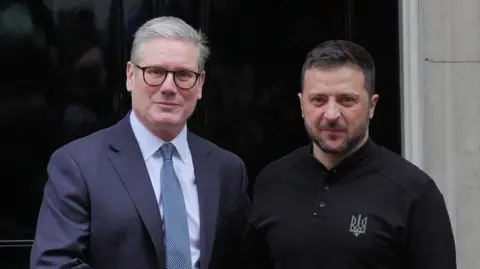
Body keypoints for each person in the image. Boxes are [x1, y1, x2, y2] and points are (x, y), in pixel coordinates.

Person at [30, 16, 251, 269]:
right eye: (155, 72)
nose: (169, 87)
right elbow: (55, 264)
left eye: (183, 74)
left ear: (200, 84)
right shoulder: (77, 165)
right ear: (130, 76)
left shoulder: (228, 170)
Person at [247, 40, 456, 269]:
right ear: (301, 105)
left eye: (347, 100)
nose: (332, 114)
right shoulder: (272, 182)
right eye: (318, 100)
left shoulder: (415, 193)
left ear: (372, 106)